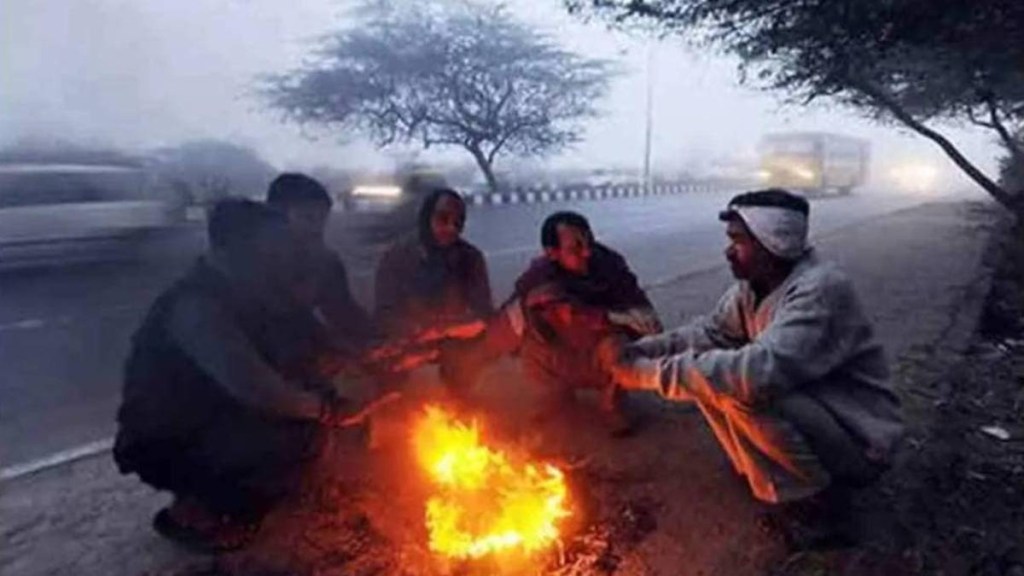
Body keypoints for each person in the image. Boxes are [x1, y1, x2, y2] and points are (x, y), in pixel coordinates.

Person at [600, 189, 904, 548]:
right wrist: (636, 351)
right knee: (709, 374)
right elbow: (710, 333)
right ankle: (765, 473)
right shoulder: (753, 287)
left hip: (860, 441)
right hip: (823, 414)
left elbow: (756, 373)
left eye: (738, 241)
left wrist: (642, 374)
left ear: (774, 243)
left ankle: (820, 503)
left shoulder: (821, 289)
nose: (729, 251)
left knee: (737, 385)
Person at [113, 199, 355, 553]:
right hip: (165, 437)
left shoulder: (249, 292)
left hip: (211, 415)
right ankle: (200, 513)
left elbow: (305, 347)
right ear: (237, 248)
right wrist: (325, 409)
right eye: (271, 248)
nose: (281, 258)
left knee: (311, 413)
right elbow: (256, 387)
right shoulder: (197, 307)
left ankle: (251, 494)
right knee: (300, 434)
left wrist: (346, 362)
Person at [484, 211, 662, 436]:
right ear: (552, 253)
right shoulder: (540, 277)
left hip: (602, 352)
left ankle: (611, 403)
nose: (587, 252)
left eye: (589, 242)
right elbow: (565, 313)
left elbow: (636, 299)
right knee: (528, 339)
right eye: (576, 248)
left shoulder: (610, 263)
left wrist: (644, 317)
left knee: (619, 347)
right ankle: (558, 395)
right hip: (561, 351)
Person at [372, 188, 493, 394]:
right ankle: (391, 399)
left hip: (451, 336)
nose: (451, 227)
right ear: (427, 217)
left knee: (474, 353)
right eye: (443, 218)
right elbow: (384, 312)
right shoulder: (398, 256)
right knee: (383, 362)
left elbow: (484, 313)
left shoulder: (470, 258)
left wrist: (445, 330)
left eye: (458, 222)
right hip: (409, 336)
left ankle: (460, 395)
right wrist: (413, 333)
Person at [266, 172, 374, 356]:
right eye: (308, 218)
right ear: (278, 217)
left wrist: (381, 339)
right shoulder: (251, 267)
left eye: (322, 219)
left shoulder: (324, 263)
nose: (316, 228)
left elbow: (345, 314)